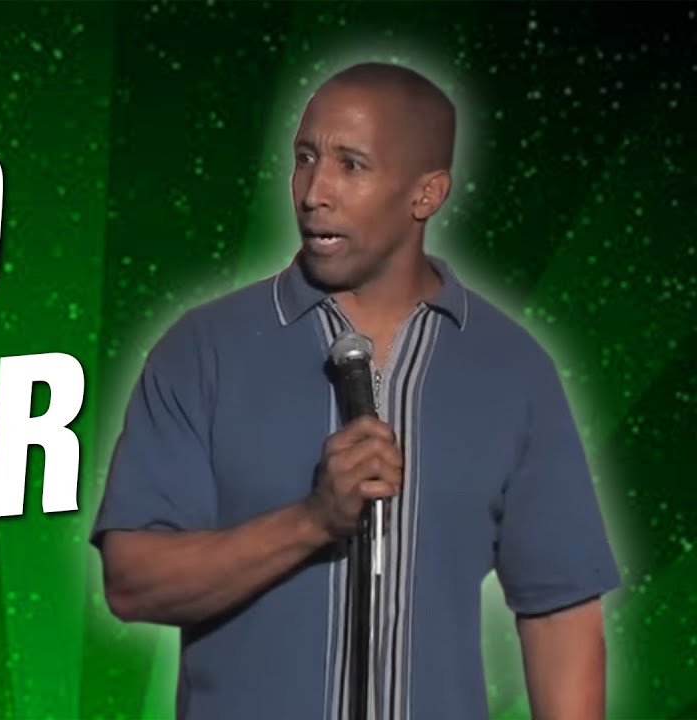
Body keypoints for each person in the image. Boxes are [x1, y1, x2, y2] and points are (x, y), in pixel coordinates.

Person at [91, 62, 620, 720]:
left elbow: (560, 612)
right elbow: (131, 582)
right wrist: (312, 521)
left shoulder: (513, 370)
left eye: (352, 164)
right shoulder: (205, 351)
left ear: (426, 194)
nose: (315, 192)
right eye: (305, 158)